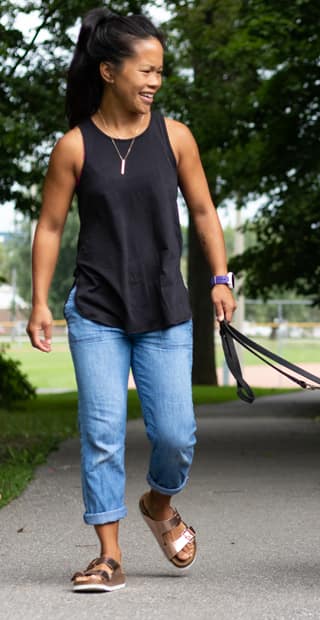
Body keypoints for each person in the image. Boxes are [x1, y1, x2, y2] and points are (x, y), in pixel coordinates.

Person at [26, 8, 236, 592]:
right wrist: (40, 303)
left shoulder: (175, 137)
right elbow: (48, 226)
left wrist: (220, 277)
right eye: (145, 71)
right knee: (101, 432)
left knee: (176, 435)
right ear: (109, 71)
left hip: (166, 309)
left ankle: (158, 504)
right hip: (96, 309)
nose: (154, 82)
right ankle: (109, 556)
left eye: (160, 73)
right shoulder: (74, 146)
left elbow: (202, 212)